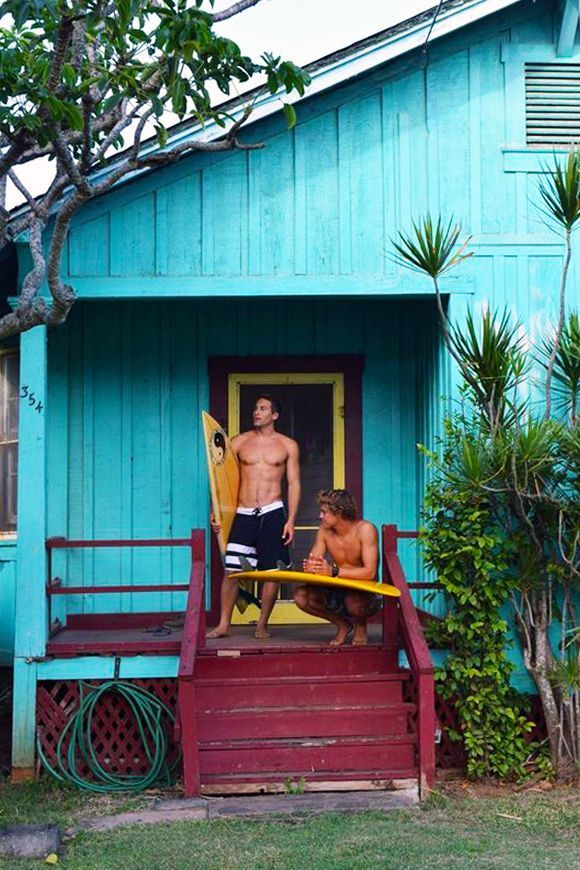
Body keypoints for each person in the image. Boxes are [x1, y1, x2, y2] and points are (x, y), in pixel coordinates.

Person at [208, 395, 300, 640]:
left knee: (272, 572)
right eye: (255, 408)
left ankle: (262, 624)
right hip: (243, 512)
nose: (257, 412)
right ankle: (223, 625)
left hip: (272, 511)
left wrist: (290, 519)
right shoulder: (238, 443)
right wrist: (217, 512)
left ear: (275, 415)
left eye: (263, 408)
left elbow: (294, 482)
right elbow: (221, 478)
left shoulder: (287, 445)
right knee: (232, 571)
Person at [294, 489, 380, 646]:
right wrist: (312, 567)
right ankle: (342, 624)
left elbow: (370, 572)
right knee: (301, 596)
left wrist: (332, 571)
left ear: (338, 512)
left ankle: (361, 625)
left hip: (364, 591)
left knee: (354, 602)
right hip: (337, 586)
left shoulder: (365, 530)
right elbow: (315, 559)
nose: (320, 516)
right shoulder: (324, 530)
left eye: (324, 512)